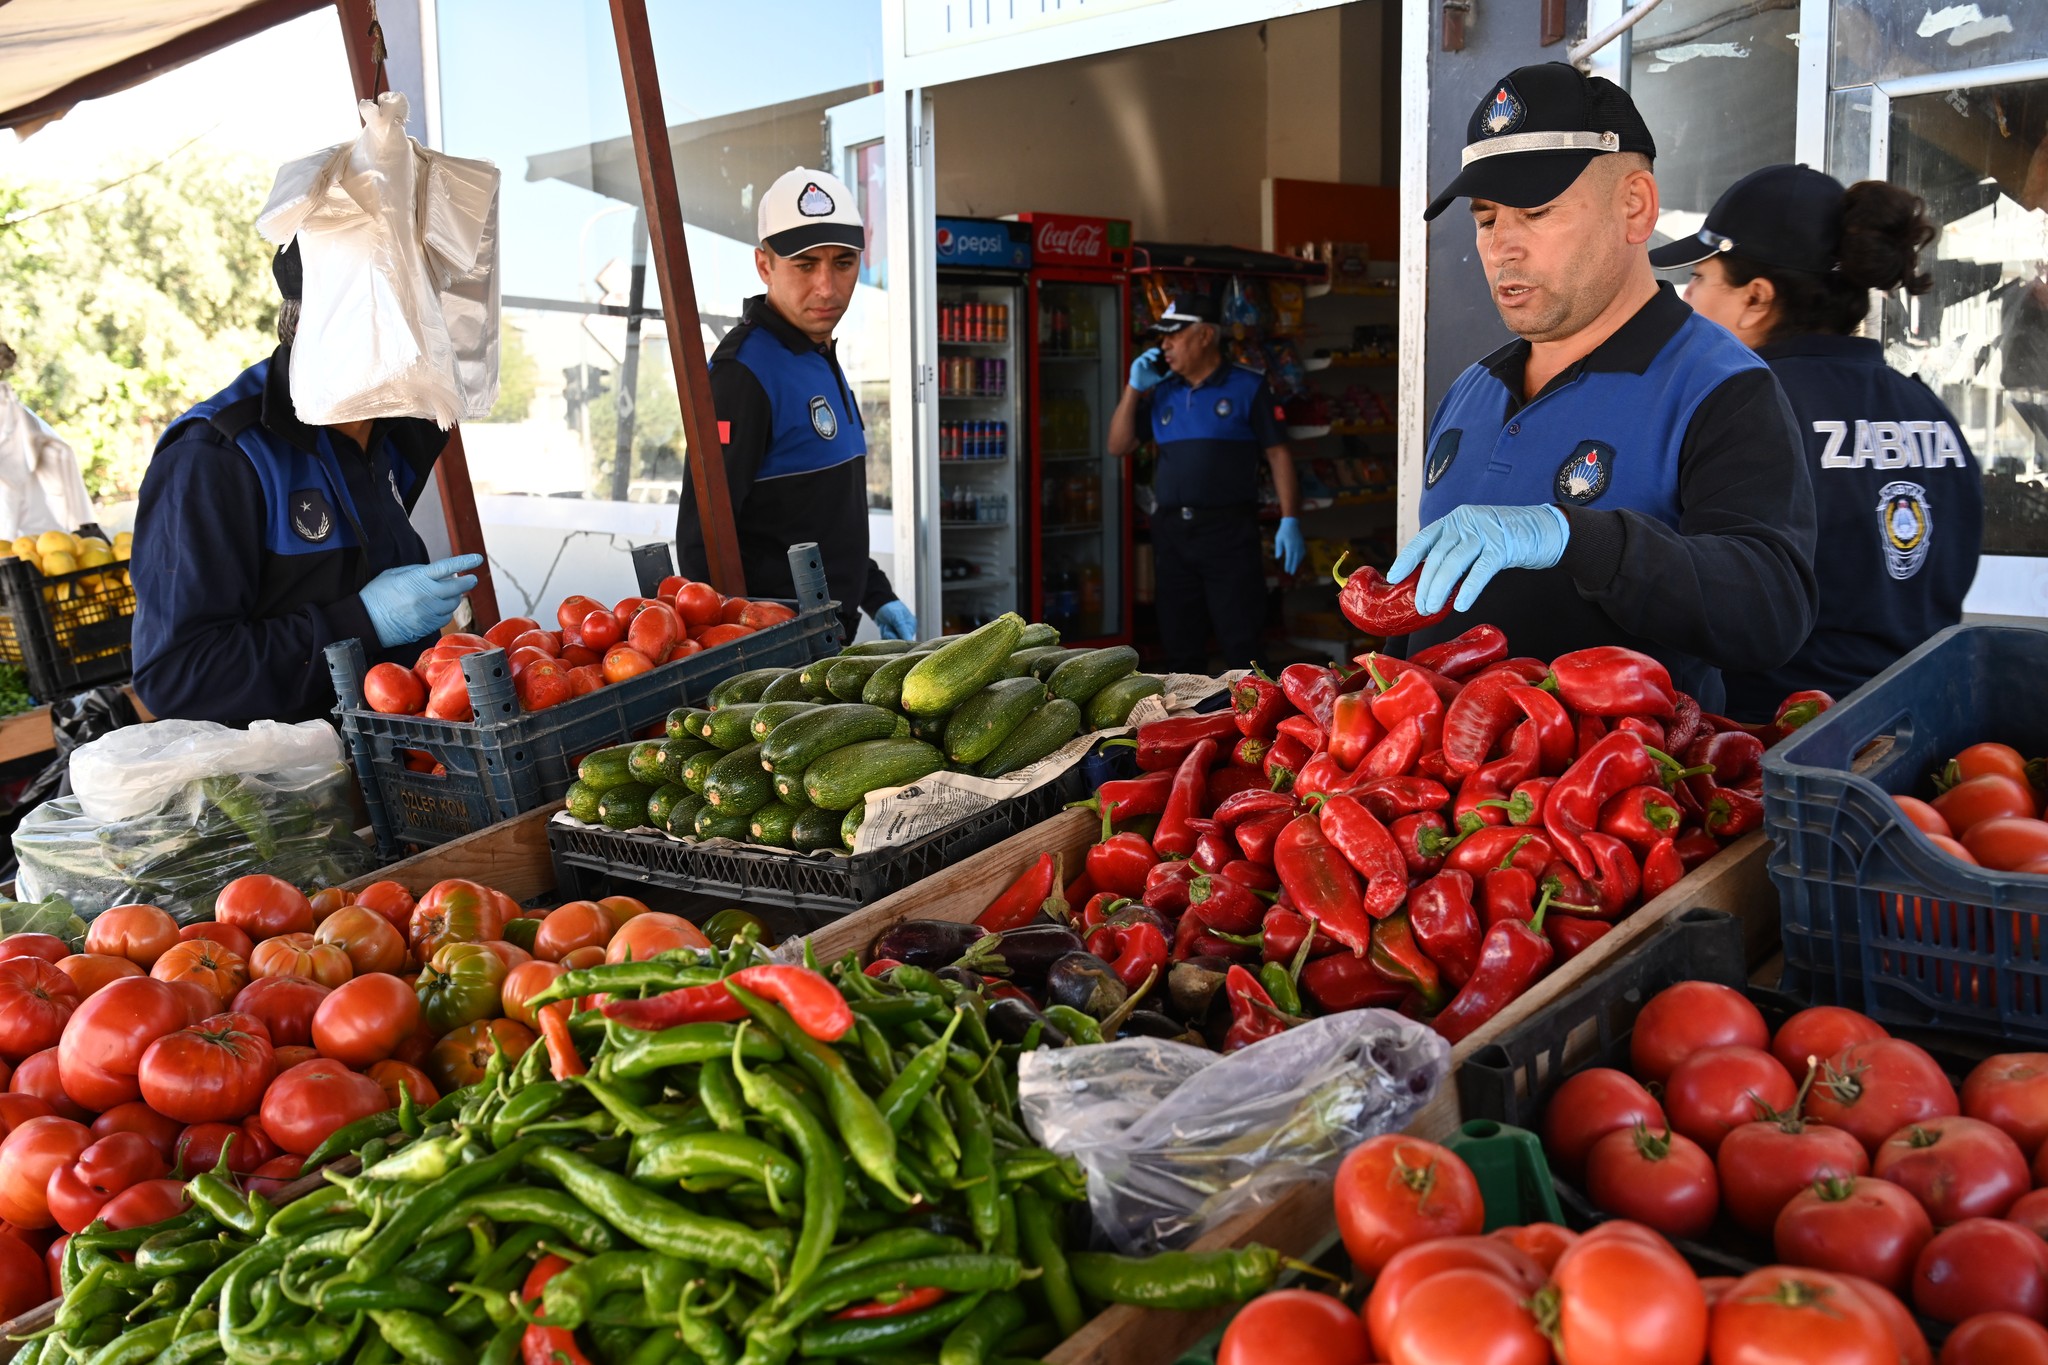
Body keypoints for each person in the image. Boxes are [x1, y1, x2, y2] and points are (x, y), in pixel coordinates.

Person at [1392, 62, 1818, 711]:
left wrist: (1579, 538)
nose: (1502, 246)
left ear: (1635, 207)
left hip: (1614, 800)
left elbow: (1770, 609)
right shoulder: (1468, 393)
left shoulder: (1721, 387)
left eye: (1535, 211)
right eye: (1484, 218)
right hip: (1444, 797)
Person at [1663, 165, 1983, 716]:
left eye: (1701, 277)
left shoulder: (1742, 413)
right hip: (1923, 740)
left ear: (1756, 298)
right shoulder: (1930, 412)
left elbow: (1696, 598)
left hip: (1774, 749)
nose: (1687, 297)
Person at [132, 240, 478, 726]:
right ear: (321, 328)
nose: (427, 348)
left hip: (409, 753)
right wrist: (364, 621)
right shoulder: (217, 458)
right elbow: (180, 676)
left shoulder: (397, 430)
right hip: (289, 784)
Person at [675, 167, 912, 643]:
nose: (827, 287)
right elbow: (701, 543)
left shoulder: (819, 355)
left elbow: (821, 516)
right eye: (805, 265)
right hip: (777, 658)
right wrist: (744, 654)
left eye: (843, 263)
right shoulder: (743, 373)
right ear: (765, 266)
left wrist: (876, 593)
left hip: (830, 639)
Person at [1108, 293, 1302, 674]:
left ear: (1204, 336)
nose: (1164, 345)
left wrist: (1290, 519)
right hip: (1172, 534)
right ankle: (1191, 728)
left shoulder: (1248, 386)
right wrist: (1134, 388)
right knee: (1180, 647)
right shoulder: (1163, 390)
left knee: (1242, 642)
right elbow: (1119, 445)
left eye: (1173, 335)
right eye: (1162, 338)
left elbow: (1279, 455)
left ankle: (1254, 725)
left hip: (1228, 533)